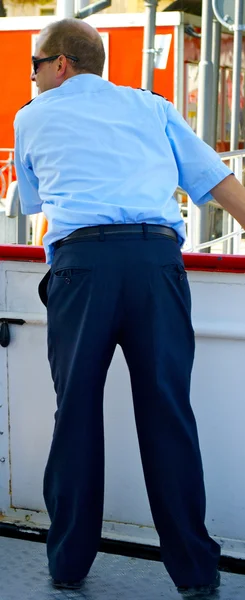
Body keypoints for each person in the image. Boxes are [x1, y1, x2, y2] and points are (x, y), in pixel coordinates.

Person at [14, 17, 245, 597]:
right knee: (168, 414)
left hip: (83, 268)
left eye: (35, 66)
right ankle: (195, 572)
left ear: (59, 64)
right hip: (156, 265)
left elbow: (38, 198)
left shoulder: (31, 116)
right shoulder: (154, 108)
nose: (34, 77)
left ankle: (68, 566)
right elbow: (219, 183)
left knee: (77, 416)